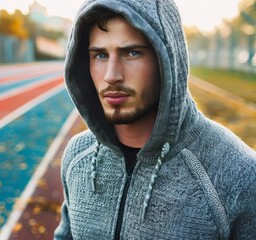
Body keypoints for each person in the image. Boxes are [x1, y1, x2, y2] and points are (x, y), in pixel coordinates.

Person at [54, 0, 256, 239]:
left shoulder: (239, 174)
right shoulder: (78, 155)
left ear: (168, 58)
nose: (111, 76)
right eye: (100, 55)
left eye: (132, 52)